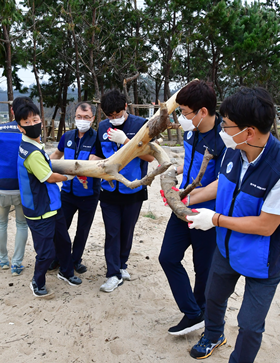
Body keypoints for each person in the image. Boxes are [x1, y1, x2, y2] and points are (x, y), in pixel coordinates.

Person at [185, 87, 280, 363]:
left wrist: (215, 221)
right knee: (213, 297)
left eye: (227, 125)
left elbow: (266, 226)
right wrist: (190, 196)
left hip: (262, 260)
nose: (222, 130)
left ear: (249, 132)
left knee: (251, 324)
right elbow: (222, 183)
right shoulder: (233, 150)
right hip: (226, 248)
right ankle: (213, 336)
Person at [158, 80, 226, 336]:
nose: (182, 118)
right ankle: (193, 311)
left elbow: (223, 183)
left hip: (206, 214)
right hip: (182, 207)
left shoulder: (223, 139)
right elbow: (191, 163)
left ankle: (204, 315)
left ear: (203, 112)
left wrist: (187, 199)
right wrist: (174, 173)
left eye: (186, 112)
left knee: (203, 268)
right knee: (168, 257)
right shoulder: (190, 132)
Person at [16, 102, 82, 297]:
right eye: (26, 122)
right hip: (39, 209)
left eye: (35, 120)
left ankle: (66, 272)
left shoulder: (33, 145)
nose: (32, 124)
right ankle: (37, 282)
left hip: (53, 205)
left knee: (63, 242)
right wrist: (70, 176)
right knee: (46, 252)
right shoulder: (32, 152)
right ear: (20, 127)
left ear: (41, 121)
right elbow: (49, 177)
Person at [92, 89, 154, 293]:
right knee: (112, 231)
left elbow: (150, 157)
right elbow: (96, 155)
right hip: (109, 189)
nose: (113, 119)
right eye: (110, 116)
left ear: (126, 108)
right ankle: (112, 274)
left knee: (127, 231)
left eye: (117, 115)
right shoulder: (102, 126)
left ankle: (122, 265)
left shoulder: (140, 124)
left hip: (133, 188)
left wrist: (126, 142)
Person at [49, 102, 100, 274]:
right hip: (68, 193)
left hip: (89, 193)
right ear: (75, 117)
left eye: (86, 117)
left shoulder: (97, 138)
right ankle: (57, 257)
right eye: (79, 117)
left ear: (92, 118)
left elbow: (93, 161)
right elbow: (57, 154)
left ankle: (75, 260)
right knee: (61, 227)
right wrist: (42, 163)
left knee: (82, 230)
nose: (82, 120)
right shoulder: (67, 136)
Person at [0, 97, 34, 276]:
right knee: (22, 225)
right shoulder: (30, 130)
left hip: (1, 186)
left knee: (1, 223)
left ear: (12, 111)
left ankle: (3, 259)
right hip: (21, 188)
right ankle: (17, 264)